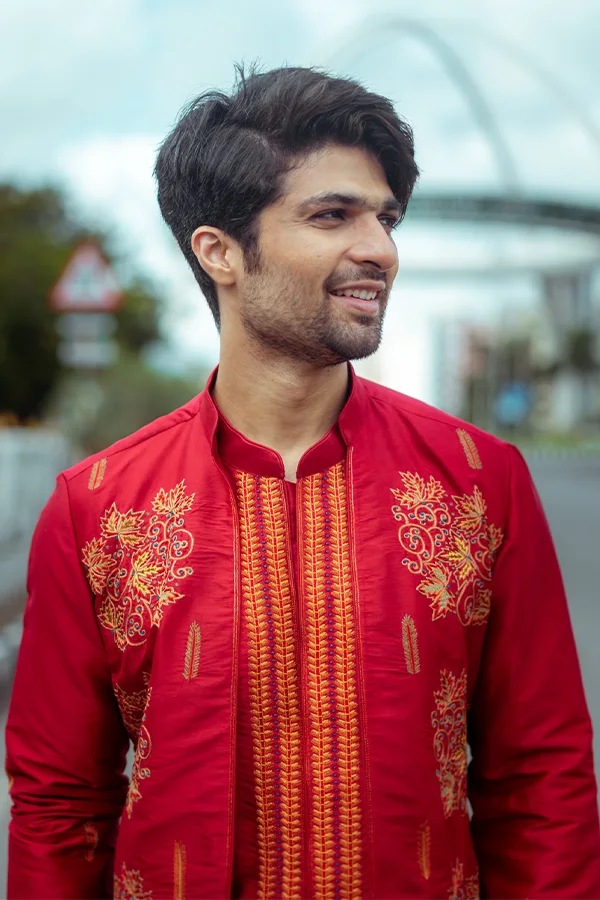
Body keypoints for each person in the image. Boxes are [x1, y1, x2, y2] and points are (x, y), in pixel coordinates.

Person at [6, 65, 600, 900]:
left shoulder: (477, 484)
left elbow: (542, 781)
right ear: (219, 253)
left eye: (386, 218)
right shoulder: (100, 506)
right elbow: (60, 806)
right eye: (332, 216)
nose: (380, 249)